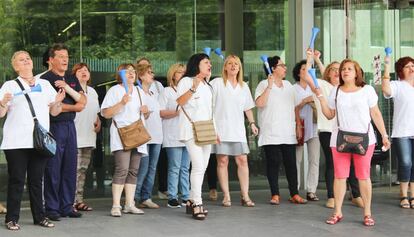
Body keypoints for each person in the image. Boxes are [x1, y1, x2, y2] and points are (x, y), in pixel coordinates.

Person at [312, 57, 390, 226]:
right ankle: (337, 212)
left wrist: (384, 135)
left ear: (356, 73)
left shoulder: (367, 90)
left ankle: (367, 213)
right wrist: (321, 98)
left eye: (349, 68)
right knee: (340, 176)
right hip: (340, 140)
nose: (345, 71)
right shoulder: (336, 90)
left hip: (365, 139)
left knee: (363, 176)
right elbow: (329, 115)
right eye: (343, 69)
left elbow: (375, 113)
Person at [0, 50, 65, 230]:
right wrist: (3, 103)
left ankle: (40, 217)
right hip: (16, 142)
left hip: (39, 141)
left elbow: (54, 112)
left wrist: (58, 101)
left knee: (37, 181)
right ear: (16, 66)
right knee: (17, 180)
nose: (27, 61)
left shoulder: (44, 84)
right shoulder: (9, 86)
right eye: (22, 60)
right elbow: (1, 114)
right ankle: (11, 218)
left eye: (28, 58)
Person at [307, 50, 364, 209]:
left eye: (339, 70)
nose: (337, 72)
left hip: (346, 131)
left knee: (352, 163)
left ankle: (356, 194)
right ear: (328, 73)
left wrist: (319, 60)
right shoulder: (322, 85)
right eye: (333, 70)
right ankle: (331, 196)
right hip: (327, 130)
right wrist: (312, 59)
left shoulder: (344, 87)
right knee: (332, 162)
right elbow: (307, 75)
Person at [42, 43, 87, 221]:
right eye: (60, 56)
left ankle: (66, 206)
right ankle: (52, 208)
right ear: (51, 60)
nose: (65, 59)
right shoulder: (45, 79)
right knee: (53, 168)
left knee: (70, 167)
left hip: (70, 127)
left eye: (66, 56)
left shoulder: (71, 77)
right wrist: (72, 106)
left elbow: (83, 103)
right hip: (54, 127)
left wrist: (66, 103)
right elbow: (50, 107)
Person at [255, 55, 307, 205]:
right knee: (273, 162)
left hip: (287, 131)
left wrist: (298, 125)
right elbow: (259, 103)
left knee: (291, 163)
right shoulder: (263, 84)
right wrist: (269, 86)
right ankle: (275, 194)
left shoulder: (289, 85)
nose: (285, 68)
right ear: (272, 69)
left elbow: (295, 107)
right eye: (281, 65)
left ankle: (294, 194)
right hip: (270, 131)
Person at [211, 55, 258, 207]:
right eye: (229, 63)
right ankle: (226, 195)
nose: (233, 66)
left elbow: (248, 108)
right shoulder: (217, 83)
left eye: (236, 64)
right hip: (221, 129)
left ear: (239, 67)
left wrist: (252, 123)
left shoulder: (244, 86)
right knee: (223, 161)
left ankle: (245, 195)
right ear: (224, 67)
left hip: (238, 130)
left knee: (242, 160)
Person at [101, 63, 148, 217]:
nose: (131, 74)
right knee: (122, 170)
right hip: (122, 134)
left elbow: (144, 116)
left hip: (138, 134)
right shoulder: (115, 90)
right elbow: (106, 113)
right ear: (120, 74)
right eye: (127, 72)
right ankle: (116, 205)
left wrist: (146, 112)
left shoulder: (140, 91)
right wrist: (122, 102)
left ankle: (129, 204)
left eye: (133, 71)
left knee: (133, 171)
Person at [176, 53, 215, 220]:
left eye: (210, 62)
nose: (210, 65)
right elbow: (180, 101)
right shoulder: (186, 81)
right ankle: (197, 202)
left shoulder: (208, 85)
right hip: (191, 130)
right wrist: (193, 87)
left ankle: (191, 200)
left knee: (202, 167)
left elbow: (210, 111)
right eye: (206, 62)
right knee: (198, 166)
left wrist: (216, 132)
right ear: (197, 64)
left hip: (207, 130)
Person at [382, 56, 414, 209]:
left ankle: (413, 195)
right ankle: (403, 195)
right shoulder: (397, 85)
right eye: (408, 66)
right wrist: (387, 66)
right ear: (401, 70)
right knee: (406, 163)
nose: (411, 68)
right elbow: (385, 89)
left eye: (413, 65)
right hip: (402, 132)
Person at [136, 57, 168, 199]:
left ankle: (146, 197)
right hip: (143, 135)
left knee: (152, 168)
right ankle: (134, 197)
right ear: (141, 75)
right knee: (142, 168)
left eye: (152, 72)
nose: (152, 74)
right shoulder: (137, 92)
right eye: (149, 72)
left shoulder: (154, 93)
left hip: (157, 135)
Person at [159, 63, 190, 208]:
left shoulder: (189, 91)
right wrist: (176, 113)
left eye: (184, 72)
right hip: (172, 134)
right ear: (173, 75)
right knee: (175, 167)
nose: (182, 74)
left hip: (187, 134)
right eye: (179, 72)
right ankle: (172, 196)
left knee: (185, 167)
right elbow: (160, 112)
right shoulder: (166, 91)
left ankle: (186, 196)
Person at [72, 63, 101, 211]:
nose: (84, 72)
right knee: (73, 171)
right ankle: (69, 202)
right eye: (80, 70)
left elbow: (95, 113)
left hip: (89, 137)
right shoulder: (72, 91)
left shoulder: (93, 92)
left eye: (86, 70)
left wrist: (98, 121)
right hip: (75, 137)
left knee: (83, 171)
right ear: (74, 74)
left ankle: (79, 200)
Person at [292, 60, 321, 201]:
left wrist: (311, 98)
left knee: (314, 159)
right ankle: (295, 189)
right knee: (296, 159)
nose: (307, 71)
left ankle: (311, 190)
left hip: (314, 126)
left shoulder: (314, 87)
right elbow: (291, 107)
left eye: (309, 69)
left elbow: (322, 100)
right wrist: (304, 102)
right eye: (304, 69)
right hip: (298, 126)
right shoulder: (292, 88)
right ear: (298, 73)